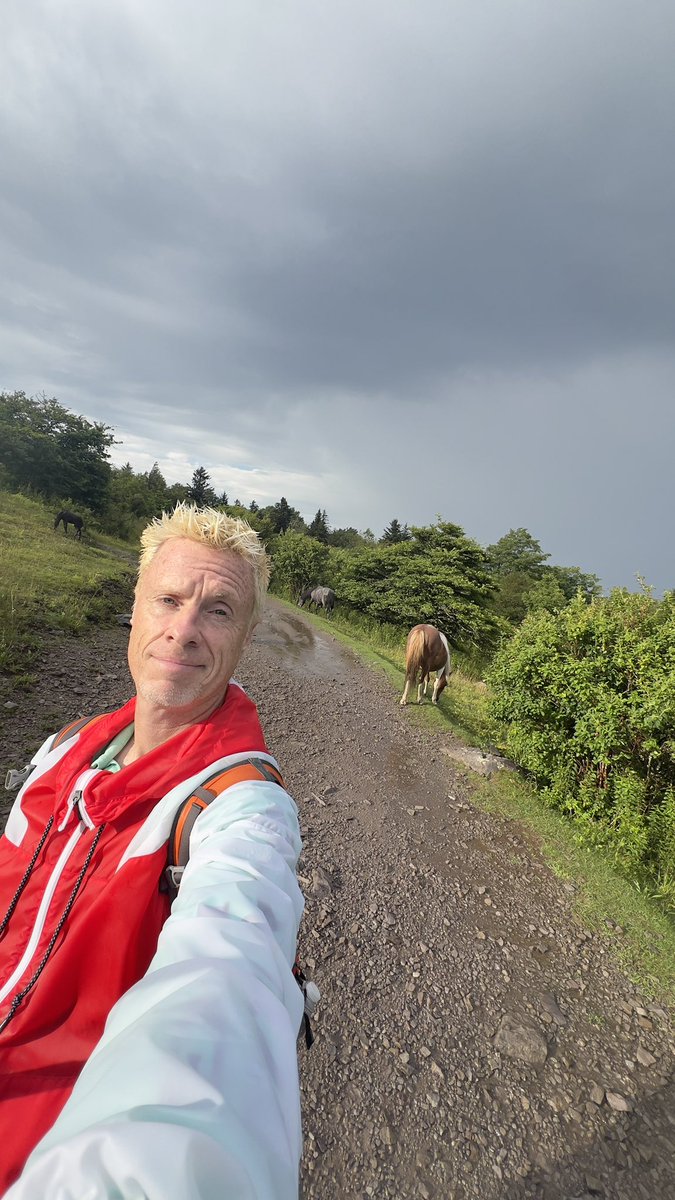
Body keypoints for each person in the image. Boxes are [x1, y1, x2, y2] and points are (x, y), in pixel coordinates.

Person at [0, 504, 305, 1199]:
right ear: (133, 610)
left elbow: (229, 969)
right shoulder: (64, 748)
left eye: (218, 610)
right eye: (167, 599)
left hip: (51, 1129)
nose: (184, 630)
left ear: (247, 635)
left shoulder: (241, 809)